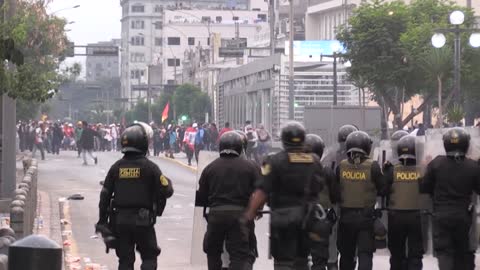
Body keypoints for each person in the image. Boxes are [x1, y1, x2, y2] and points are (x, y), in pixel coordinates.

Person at [244, 121, 326, 270]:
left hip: (283, 218)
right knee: (302, 259)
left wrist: (250, 213)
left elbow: (262, 190)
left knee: (283, 262)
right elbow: (319, 186)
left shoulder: (274, 161)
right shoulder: (314, 161)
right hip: (307, 219)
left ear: (283, 140)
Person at [96, 123, 174, 270]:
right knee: (149, 256)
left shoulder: (116, 167)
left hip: (120, 221)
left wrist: (102, 221)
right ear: (143, 143)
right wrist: (167, 183)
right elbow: (166, 191)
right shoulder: (150, 168)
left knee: (125, 260)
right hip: (143, 221)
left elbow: (104, 196)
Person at [196, 131, 260, 270]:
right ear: (240, 147)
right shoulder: (250, 166)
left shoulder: (210, 168)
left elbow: (202, 197)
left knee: (212, 251)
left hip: (216, 215)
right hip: (240, 216)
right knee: (239, 255)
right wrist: (256, 210)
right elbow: (260, 191)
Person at [420, 128, 480, 270]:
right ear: (466, 144)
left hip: (441, 216)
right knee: (464, 254)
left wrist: (425, 168)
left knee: (445, 253)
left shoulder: (436, 164)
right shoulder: (472, 166)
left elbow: (424, 188)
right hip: (464, 217)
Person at [336, 131, 385, 270]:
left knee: (346, 255)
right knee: (365, 254)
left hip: (345, 219)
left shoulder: (341, 166)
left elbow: (335, 190)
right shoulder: (373, 166)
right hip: (366, 219)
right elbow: (383, 189)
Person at [384, 136, 425, 270]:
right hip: (416, 216)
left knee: (396, 253)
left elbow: (383, 189)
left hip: (396, 216)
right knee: (415, 253)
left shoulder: (392, 171)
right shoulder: (422, 170)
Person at [304, 134, 339, 270]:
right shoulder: (327, 171)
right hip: (321, 217)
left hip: (300, 217)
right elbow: (335, 196)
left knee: (300, 258)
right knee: (319, 259)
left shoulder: (293, 170)